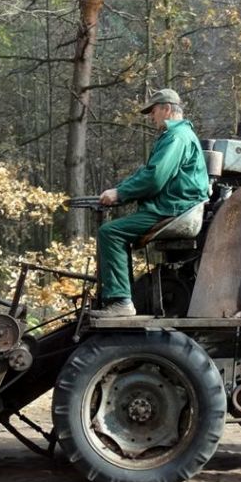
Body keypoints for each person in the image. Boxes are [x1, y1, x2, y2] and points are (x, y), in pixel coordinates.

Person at [90, 88, 209, 317]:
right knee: (116, 232)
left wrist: (120, 194)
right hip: (173, 206)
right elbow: (147, 172)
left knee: (110, 233)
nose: (152, 118)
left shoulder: (176, 137)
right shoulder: (180, 136)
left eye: (153, 112)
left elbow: (155, 178)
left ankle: (121, 302)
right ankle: (123, 297)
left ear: (166, 108)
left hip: (173, 209)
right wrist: (120, 190)